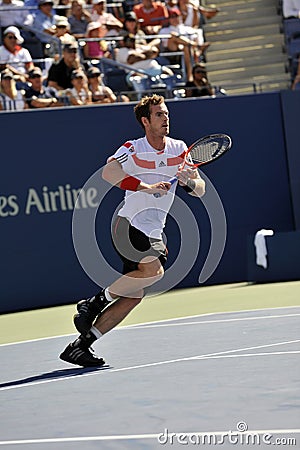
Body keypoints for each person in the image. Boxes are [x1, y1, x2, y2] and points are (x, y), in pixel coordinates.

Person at [59, 93, 205, 367]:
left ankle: (80, 346)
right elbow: (108, 174)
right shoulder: (133, 148)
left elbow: (200, 189)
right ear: (145, 121)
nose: (166, 119)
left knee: (133, 295)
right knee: (154, 271)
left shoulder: (179, 148)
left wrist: (189, 184)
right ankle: (93, 302)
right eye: (159, 115)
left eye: (167, 114)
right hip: (129, 224)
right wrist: (145, 187)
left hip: (153, 231)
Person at [159, 7, 210, 81]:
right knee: (173, 36)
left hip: (187, 52)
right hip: (171, 53)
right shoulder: (164, 30)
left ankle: (189, 74)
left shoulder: (187, 29)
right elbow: (165, 44)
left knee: (186, 47)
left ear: (180, 17)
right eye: (172, 17)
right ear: (169, 19)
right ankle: (193, 45)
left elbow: (196, 37)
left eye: (177, 16)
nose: (175, 19)